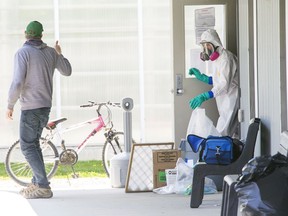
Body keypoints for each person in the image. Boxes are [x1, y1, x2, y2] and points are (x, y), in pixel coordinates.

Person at [6, 21, 72, 199]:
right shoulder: (51, 52)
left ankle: (43, 186)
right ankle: (36, 183)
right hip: (45, 106)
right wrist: (59, 53)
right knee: (34, 145)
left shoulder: (22, 53)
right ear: (42, 35)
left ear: (25, 33)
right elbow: (67, 71)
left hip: (30, 107)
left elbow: (18, 82)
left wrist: (10, 104)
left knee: (27, 146)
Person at [189, 29, 239, 137]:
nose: (205, 49)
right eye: (203, 46)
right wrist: (202, 77)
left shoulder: (226, 59)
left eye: (207, 46)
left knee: (223, 134)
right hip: (224, 100)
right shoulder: (217, 60)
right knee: (229, 133)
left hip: (231, 98)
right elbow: (218, 79)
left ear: (215, 44)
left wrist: (205, 95)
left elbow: (224, 85)